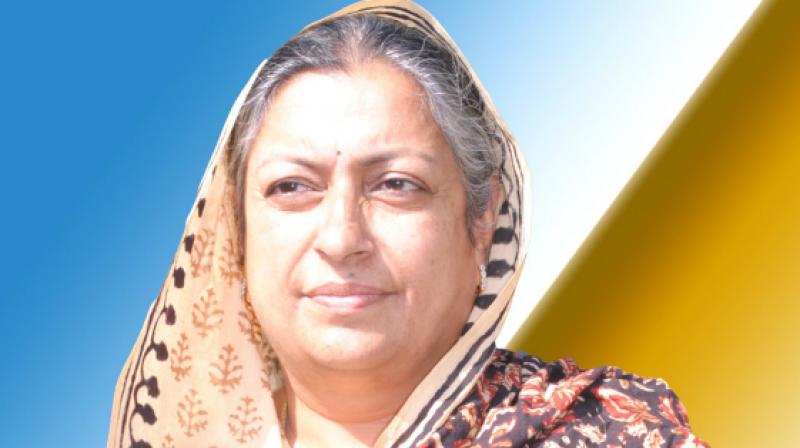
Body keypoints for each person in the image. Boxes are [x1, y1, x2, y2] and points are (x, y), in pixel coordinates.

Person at [108, 1, 707, 446]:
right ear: (237, 232)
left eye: (396, 185)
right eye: (292, 187)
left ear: (481, 220)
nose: (341, 238)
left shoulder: (605, 436)